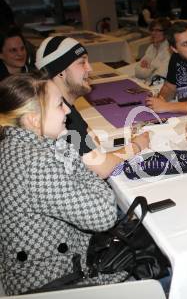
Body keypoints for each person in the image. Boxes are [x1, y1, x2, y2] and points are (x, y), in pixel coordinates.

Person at [0, 73, 127, 295]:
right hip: (54, 282)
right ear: (33, 120)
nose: (67, 111)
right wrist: (72, 154)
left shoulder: (13, 146)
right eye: (60, 105)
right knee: (162, 275)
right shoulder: (38, 163)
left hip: (23, 274)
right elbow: (105, 215)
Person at [35, 36, 150, 178]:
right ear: (60, 71)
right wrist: (136, 146)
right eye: (82, 62)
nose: (90, 68)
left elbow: (92, 143)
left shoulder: (60, 104)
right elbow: (100, 168)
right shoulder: (59, 115)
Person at [135, 17, 172, 82]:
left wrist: (147, 69)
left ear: (166, 32)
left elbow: (159, 78)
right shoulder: (151, 47)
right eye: (152, 30)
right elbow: (137, 72)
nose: (153, 33)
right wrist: (152, 69)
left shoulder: (169, 51)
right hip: (146, 83)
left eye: (157, 30)